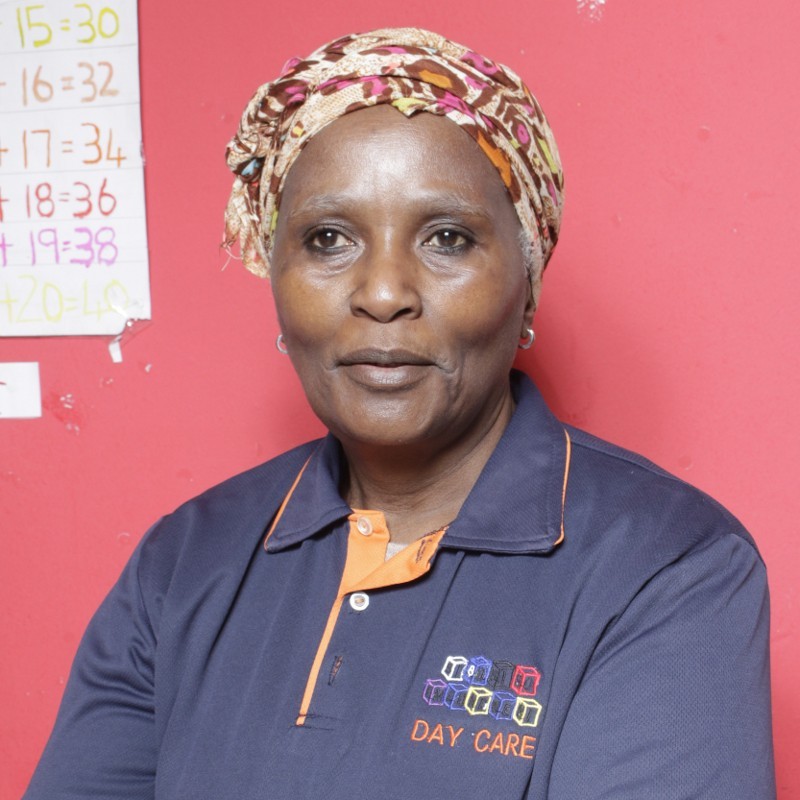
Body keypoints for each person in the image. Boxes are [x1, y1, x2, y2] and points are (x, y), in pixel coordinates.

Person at [24, 28, 775, 800]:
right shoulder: (183, 561)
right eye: (328, 239)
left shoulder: (668, 568)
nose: (383, 294)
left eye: (447, 238)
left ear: (527, 286)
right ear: (275, 278)